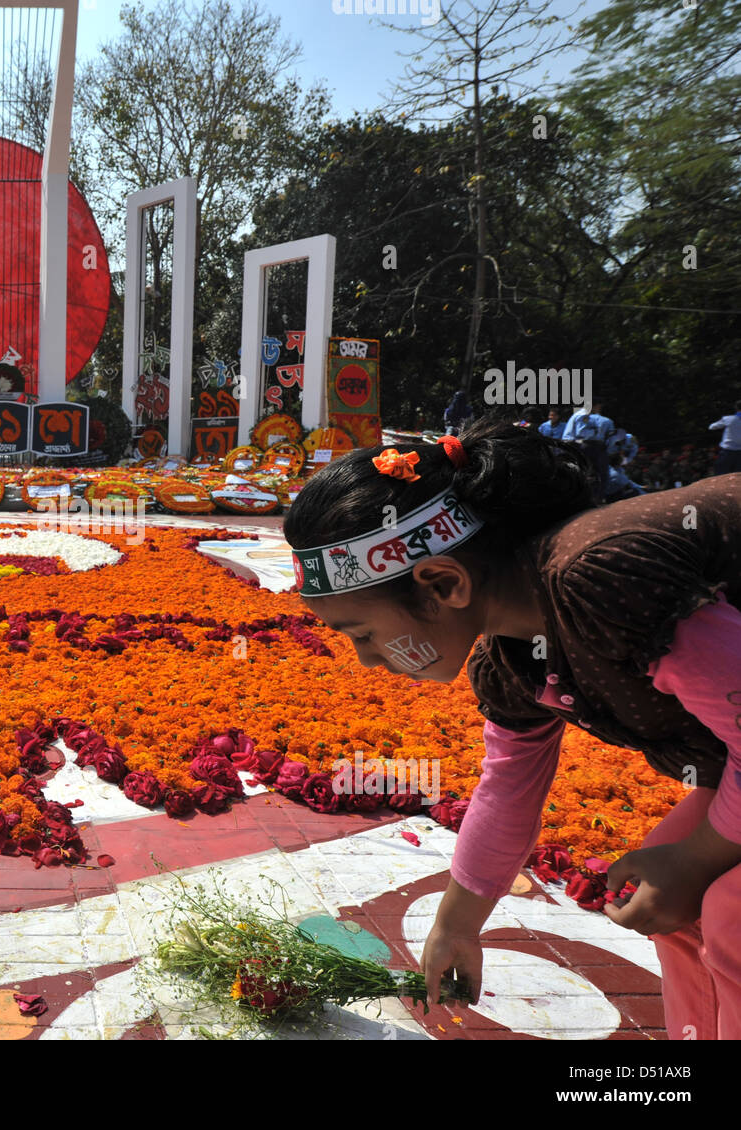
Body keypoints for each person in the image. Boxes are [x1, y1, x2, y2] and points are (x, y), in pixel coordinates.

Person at [284, 419, 741, 1039]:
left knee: (729, 912)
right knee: (669, 901)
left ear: (444, 583)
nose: (366, 659)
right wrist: (456, 926)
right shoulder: (514, 658)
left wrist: (695, 860)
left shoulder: (600, 577)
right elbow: (506, 791)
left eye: (362, 633)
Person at [562, 398, 614, 498]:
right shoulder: (584, 415)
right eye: (599, 407)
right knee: (598, 472)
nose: (599, 409)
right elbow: (582, 433)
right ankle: (597, 497)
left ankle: (594, 495)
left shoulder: (582, 415)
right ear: (594, 406)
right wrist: (595, 432)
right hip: (579, 445)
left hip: (576, 446)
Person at [708, 400, 741, 476]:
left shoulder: (728, 419)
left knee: (721, 473)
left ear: (736, 408)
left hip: (728, 451)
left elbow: (712, 427)